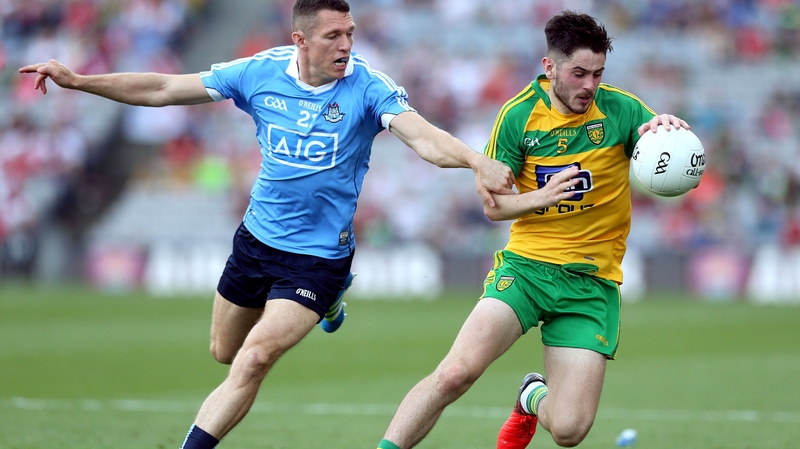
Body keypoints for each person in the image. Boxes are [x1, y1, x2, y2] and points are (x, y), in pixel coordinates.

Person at [19, 1, 516, 447]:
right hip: (256, 241)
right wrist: (81, 82)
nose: (346, 44)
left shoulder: (368, 86)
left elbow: (424, 139)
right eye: (333, 36)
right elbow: (164, 87)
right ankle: (335, 298)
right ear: (299, 40)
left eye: (351, 33)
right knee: (224, 353)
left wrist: (476, 160)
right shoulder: (259, 71)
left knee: (254, 359)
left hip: (318, 258)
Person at [374, 10, 690, 449]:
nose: (589, 85)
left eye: (598, 74)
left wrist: (666, 130)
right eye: (579, 73)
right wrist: (541, 198)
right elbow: (493, 206)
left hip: (590, 283)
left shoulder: (621, 109)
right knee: (455, 373)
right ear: (550, 67)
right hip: (527, 269)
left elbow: (660, 150)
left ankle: (531, 395)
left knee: (568, 430)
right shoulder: (518, 117)